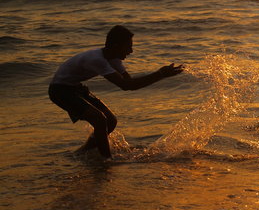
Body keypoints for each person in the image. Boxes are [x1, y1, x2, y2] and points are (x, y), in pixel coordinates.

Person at [48, 25, 184, 159]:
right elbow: (125, 85)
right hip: (60, 91)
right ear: (115, 46)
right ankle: (106, 160)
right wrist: (160, 74)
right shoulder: (97, 59)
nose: (131, 51)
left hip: (75, 88)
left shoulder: (113, 59)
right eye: (128, 46)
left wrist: (160, 75)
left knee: (111, 121)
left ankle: (83, 152)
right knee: (100, 120)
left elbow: (130, 83)